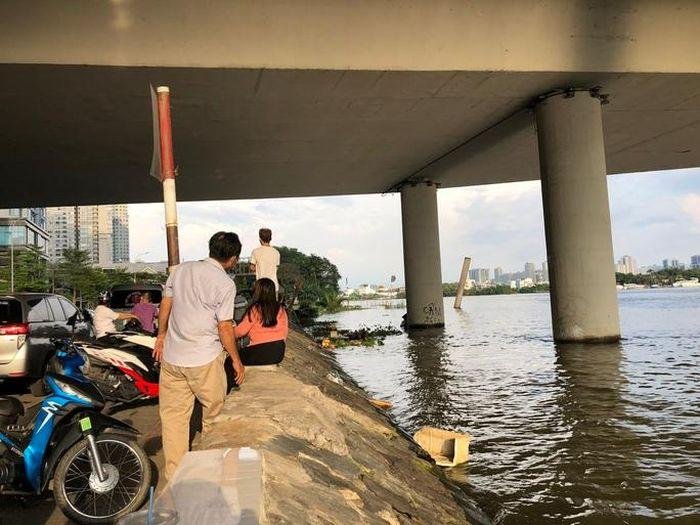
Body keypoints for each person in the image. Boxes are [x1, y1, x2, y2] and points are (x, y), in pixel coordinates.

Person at [153, 232, 246, 482]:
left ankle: (175, 476)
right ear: (233, 258)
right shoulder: (225, 283)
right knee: (213, 415)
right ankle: (210, 472)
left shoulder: (180, 270)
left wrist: (161, 335)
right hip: (205, 358)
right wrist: (236, 360)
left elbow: (166, 305)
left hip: (173, 358)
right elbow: (225, 326)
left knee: (173, 419)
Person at [234, 278, 288, 365]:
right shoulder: (281, 309)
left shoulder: (254, 309)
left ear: (257, 292)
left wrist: (228, 333)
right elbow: (285, 333)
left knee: (230, 361)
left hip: (258, 352)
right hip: (278, 353)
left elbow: (240, 332)